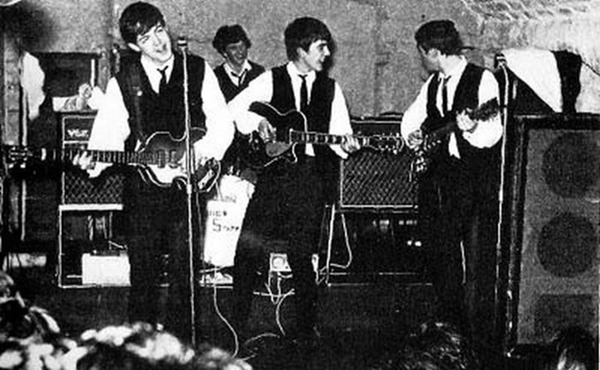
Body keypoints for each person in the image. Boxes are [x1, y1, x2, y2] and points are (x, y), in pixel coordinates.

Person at [73, 2, 234, 343]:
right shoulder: (123, 82)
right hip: (142, 193)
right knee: (143, 276)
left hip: (188, 188)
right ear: (134, 46)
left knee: (185, 276)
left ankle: (181, 350)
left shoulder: (198, 70)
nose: (159, 43)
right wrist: (94, 162)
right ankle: (139, 351)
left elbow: (223, 125)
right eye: (146, 39)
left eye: (160, 31)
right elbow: (108, 135)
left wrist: (200, 154)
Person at [228, 17, 360, 346]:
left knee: (302, 256)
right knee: (248, 249)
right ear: (300, 50)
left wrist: (347, 144)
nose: (327, 53)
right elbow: (232, 111)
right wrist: (258, 121)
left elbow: (342, 135)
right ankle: (235, 328)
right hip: (273, 178)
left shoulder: (331, 89)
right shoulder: (268, 80)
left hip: (309, 179)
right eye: (320, 47)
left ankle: (305, 331)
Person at [400, 20, 503, 346]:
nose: (422, 60)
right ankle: (449, 325)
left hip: (471, 180)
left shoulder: (482, 79)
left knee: (473, 261)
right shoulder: (434, 83)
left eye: (422, 54)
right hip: (437, 180)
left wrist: (470, 128)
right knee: (437, 251)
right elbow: (412, 119)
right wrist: (413, 135)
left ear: (433, 51)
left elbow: (492, 133)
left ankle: (473, 338)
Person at [211, 24, 265, 183]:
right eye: (233, 48)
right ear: (223, 52)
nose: (240, 52)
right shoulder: (215, 78)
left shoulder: (259, 73)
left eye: (243, 46)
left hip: (256, 148)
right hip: (229, 149)